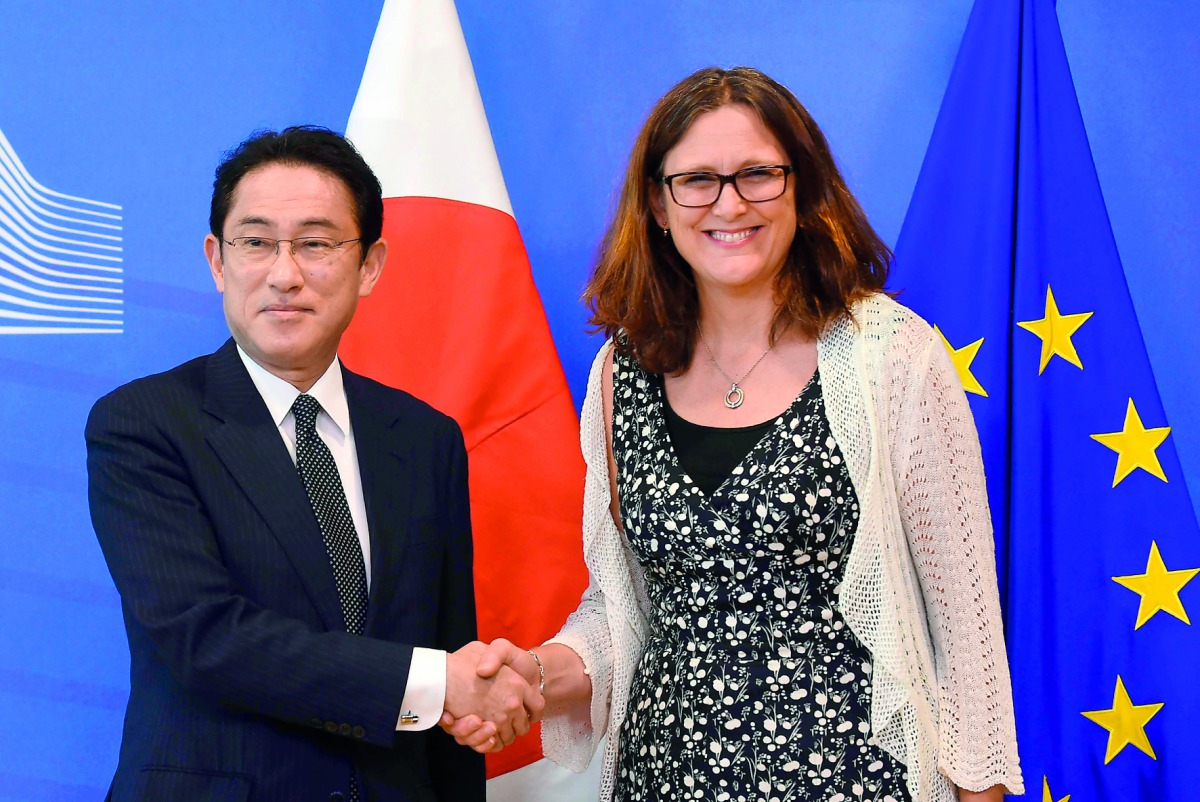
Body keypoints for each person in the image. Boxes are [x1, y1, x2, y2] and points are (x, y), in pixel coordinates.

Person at [443, 68, 1024, 802]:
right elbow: (626, 613)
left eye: (758, 175)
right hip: (663, 780)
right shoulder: (619, 372)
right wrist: (531, 676)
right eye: (697, 181)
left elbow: (969, 640)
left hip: (856, 784)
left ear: (802, 188)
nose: (730, 203)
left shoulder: (894, 356)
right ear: (657, 202)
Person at [86, 126, 541, 802]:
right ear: (217, 260)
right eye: (256, 242)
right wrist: (440, 683)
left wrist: (461, 697)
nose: (284, 273)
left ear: (370, 265)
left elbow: (447, 650)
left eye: (317, 243)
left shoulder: (424, 438)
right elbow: (204, 638)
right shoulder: (144, 424)